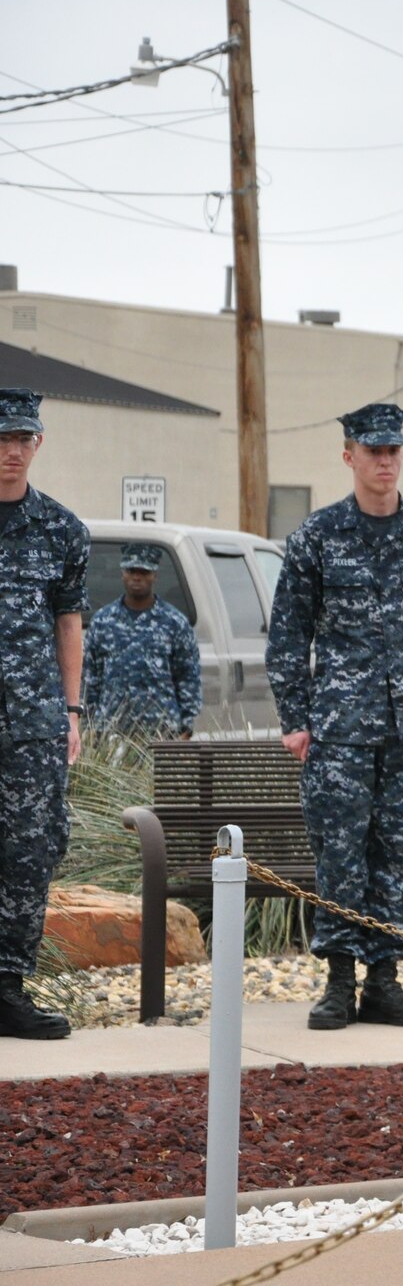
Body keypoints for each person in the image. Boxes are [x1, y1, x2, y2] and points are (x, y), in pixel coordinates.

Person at [268, 402, 403, 1032]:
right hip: (339, 728)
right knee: (340, 855)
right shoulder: (317, 537)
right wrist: (295, 717)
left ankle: (385, 981)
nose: (385, 461)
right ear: (348, 455)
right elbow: (289, 636)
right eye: (373, 451)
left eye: (393, 451)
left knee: (400, 854)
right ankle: (339, 980)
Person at [0, 387, 89, 1041]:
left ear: (39, 444)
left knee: (30, 850)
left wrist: (72, 710)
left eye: (22, 440)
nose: (11, 452)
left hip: (32, 721)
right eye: (2, 440)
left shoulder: (61, 530)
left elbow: (68, 621)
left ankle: (7, 988)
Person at [83, 543, 201, 739]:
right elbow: (90, 678)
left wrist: (187, 725)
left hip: (161, 732)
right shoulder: (103, 621)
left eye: (144, 572)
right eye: (131, 571)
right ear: (123, 573)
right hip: (111, 731)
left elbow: (188, 676)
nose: (137, 577)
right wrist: (88, 723)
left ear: (155, 575)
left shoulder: (174, 623)